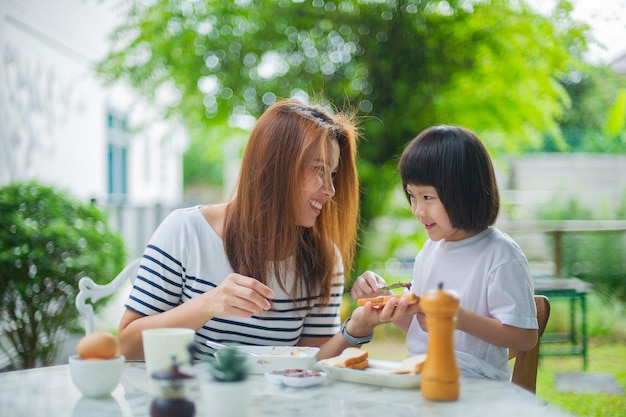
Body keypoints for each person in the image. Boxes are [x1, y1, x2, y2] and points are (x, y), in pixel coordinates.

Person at [118, 98, 410, 361]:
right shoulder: (186, 231)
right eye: (319, 169)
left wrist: (359, 326)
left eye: (332, 174)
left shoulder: (323, 258)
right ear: (275, 167)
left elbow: (316, 361)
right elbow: (128, 346)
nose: (330, 190)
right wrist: (209, 303)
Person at [352, 125, 538, 380]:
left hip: (475, 382)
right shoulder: (429, 252)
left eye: (427, 197)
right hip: (420, 372)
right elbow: (420, 327)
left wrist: (457, 318)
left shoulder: (501, 254)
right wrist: (389, 306)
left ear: (464, 193)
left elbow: (525, 337)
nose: (418, 210)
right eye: (412, 196)